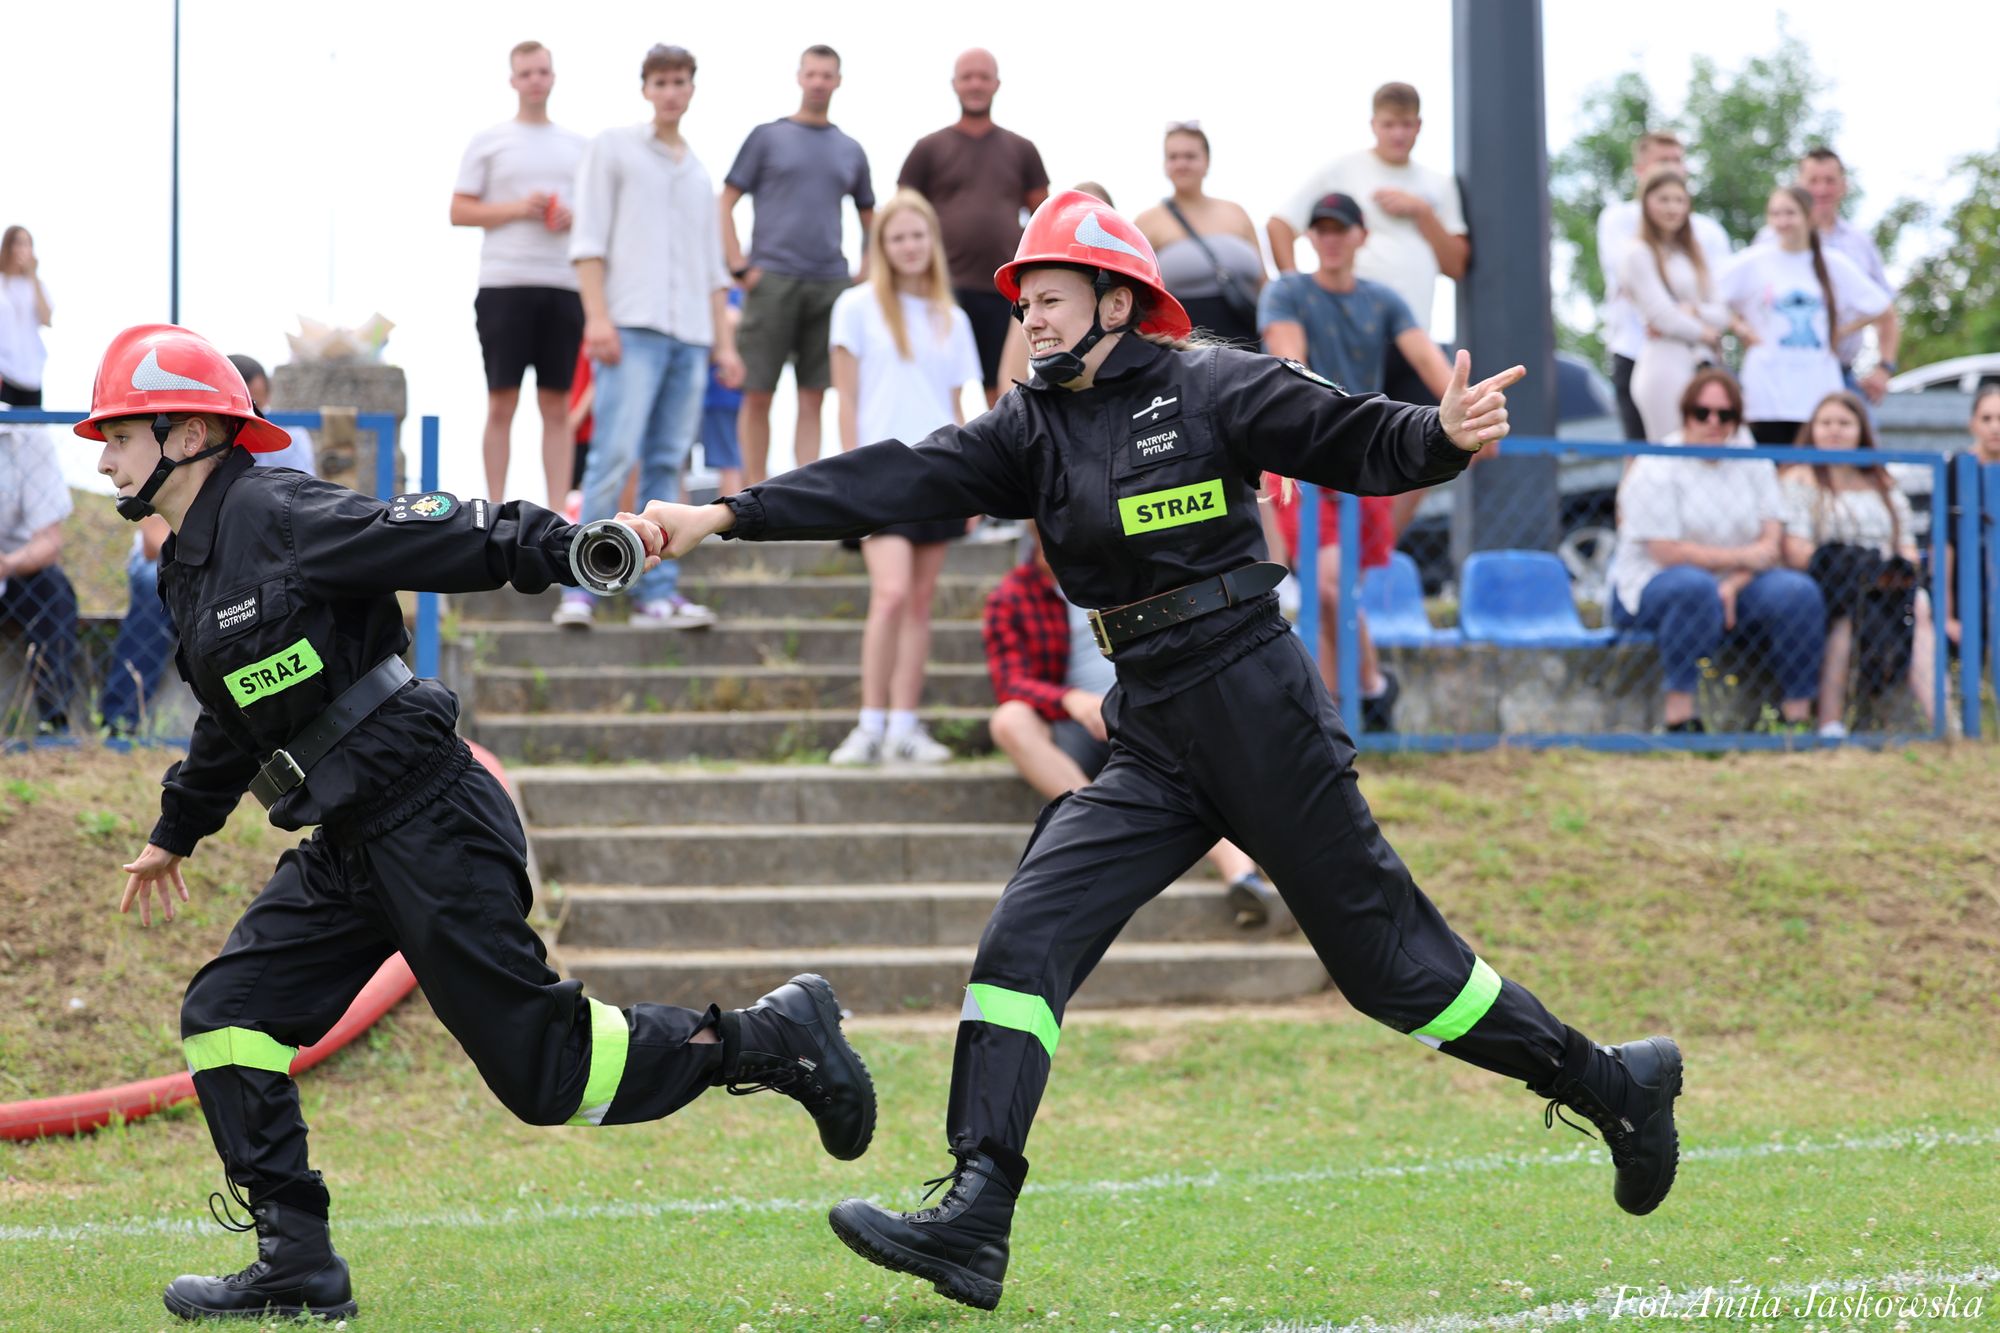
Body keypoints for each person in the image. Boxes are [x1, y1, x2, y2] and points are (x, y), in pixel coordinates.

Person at [641, 191, 1682, 1311]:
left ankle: (1611, 1084)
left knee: (1397, 976)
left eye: (1046, 299)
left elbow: (1351, 434)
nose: (1030, 321)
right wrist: (727, 513)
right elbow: (894, 472)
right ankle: (976, 1209)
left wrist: (1439, 433)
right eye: (1023, 304)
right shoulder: (1025, 431)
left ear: (1113, 300)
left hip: (1255, 699)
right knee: (1025, 936)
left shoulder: (1212, 381)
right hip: (1151, 725)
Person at [82, 324, 876, 1323]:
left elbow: (450, 531)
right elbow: (231, 725)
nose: (103, 454)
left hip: (430, 815)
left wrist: (574, 550)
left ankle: (769, 1039)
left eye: (116, 430)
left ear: (187, 427)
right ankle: (296, 1265)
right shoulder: (188, 568)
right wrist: (174, 832)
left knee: (553, 1076)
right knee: (228, 1014)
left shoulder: (282, 508)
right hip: (348, 843)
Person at [983, 523, 1282, 927]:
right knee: (1010, 719)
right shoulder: (1014, 595)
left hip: (1149, 712)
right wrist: (1068, 699)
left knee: (1197, 766)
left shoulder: (1131, 579)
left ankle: (1243, 880)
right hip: (1079, 726)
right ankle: (1092, 819)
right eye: (1044, 537)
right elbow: (1011, 681)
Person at [555, 42, 742, 631]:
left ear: (691, 89)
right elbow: (589, 238)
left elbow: (713, 269)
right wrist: (597, 317)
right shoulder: (612, 147)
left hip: (688, 334)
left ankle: (656, 593)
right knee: (612, 454)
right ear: (646, 88)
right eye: (660, 81)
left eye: (680, 81)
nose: (670, 92)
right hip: (630, 325)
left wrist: (724, 344)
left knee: (668, 465)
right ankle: (579, 585)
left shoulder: (698, 172)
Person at [1257, 191, 1453, 727]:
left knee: (1333, 596)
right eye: (1320, 228)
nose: (1330, 238)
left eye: (1340, 228)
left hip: (1359, 461)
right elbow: (1288, 363)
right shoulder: (1288, 292)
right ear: (1310, 238)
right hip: (1301, 460)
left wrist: (1465, 411)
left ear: (1361, 235)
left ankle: (1341, 715)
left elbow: (1431, 362)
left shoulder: (1383, 300)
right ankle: (1373, 689)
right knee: (1325, 587)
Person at [824, 191, 982, 768]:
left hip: (939, 471)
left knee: (919, 603)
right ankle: (868, 724)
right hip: (878, 472)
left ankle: (904, 726)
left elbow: (956, 403)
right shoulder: (855, 307)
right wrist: (850, 475)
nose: (909, 246)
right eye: (897, 238)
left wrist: (974, 482)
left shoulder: (953, 316)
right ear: (882, 246)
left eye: (918, 236)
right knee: (888, 596)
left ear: (931, 242)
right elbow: (847, 399)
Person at [1605, 368, 1824, 733]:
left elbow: (1771, 542)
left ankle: (1795, 719)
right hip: (1651, 586)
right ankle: (1680, 717)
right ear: (1685, 412)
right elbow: (1666, 552)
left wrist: (1732, 585)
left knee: (1798, 593)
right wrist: (1740, 562)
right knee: (1694, 587)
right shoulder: (1657, 464)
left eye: (1725, 415)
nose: (1713, 422)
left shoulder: (1752, 461)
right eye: (1701, 412)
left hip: (1736, 585)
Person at [723, 44, 876, 485]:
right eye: (812, 74)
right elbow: (726, 200)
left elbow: (870, 215)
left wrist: (864, 271)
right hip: (772, 279)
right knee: (758, 395)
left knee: (814, 396)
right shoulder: (767, 137)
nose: (819, 82)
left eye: (827, 75)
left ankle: (801, 495)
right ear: (799, 77)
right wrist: (739, 266)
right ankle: (752, 496)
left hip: (829, 283)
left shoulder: (850, 148)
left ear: (838, 81)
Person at [1266, 82, 1467, 405]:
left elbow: (1457, 265)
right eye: (1389, 124)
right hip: (1351, 335)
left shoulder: (1438, 185)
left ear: (1419, 125)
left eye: (1406, 125)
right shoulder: (1343, 169)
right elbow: (1280, 224)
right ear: (1374, 124)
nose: (1398, 134)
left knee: (1426, 435)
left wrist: (1422, 211)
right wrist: (1297, 292)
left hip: (1415, 333)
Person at [449, 41, 587, 507]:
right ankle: (495, 507)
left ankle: (556, 513)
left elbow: (598, 216)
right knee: (501, 402)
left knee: (557, 405)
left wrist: (573, 217)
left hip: (563, 285)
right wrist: (517, 208)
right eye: (526, 72)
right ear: (513, 80)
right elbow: (458, 210)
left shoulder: (579, 147)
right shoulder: (489, 140)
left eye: (542, 71)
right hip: (504, 284)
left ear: (553, 77)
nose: (535, 80)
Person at [898, 48, 1051, 408]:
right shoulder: (928, 149)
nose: (975, 84)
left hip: (1004, 289)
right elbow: (901, 216)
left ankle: (1008, 459)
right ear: (954, 84)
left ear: (996, 84)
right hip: (939, 289)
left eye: (983, 76)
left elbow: (1044, 218)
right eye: (967, 77)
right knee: (930, 380)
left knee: (1003, 386)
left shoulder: (1022, 149)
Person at [1778, 391, 1933, 736]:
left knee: (1919, 604)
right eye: (1826, 423)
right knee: (1851, 607)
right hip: (1830, 582)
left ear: (1860, 429)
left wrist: (1895, 569)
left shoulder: (1882, 482)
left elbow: (1905, 544)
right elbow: (1797, 550)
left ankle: (1942, 721)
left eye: (1844, 423)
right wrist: (1854, 571)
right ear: (1812, 429)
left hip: (1885, 581)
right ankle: (1830, 723)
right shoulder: (1798, 478)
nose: (1834, 431)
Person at [1721, 186, 1890, 446]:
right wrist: (1740, 327)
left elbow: (1881, 308)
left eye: (1790, 213)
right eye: (1775, 214)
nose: (1782, 221)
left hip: (1816, 389)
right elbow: (1707, 296)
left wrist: (1841, 331)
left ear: (1808, 216)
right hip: (1766, 392)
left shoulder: (1833, 263)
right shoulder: (1755, 260)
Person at [1596, 132, 1732, 441]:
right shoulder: (1622, 226)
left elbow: (1724, 307)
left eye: (1677, 161)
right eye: (1662, 161)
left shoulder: (1703, 237)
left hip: (1701, 361)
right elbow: (1657, 309)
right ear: (1641, 170)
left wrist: (1693, 311)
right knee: (1652, 455)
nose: (1671, 168)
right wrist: (1705, 331)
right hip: (1638, 351)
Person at [1756, 147, 1903, 404]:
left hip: (1840, 375)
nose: (1822, 190)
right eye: (1813, 180)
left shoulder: (1859, 244)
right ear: (1799, 185)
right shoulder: (1769, 240)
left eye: (1829, 181)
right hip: (1779, 375)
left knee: (1858, 441)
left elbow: (1885, 310)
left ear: (1843, 186)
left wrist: (1883, 368)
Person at [1133, 123, 1265, 348]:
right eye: (1173, 157)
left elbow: (1263, 282)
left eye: (1190, 156)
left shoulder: (1236, 213)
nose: (1181, 164)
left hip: (1251, 342)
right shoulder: (1148, 222)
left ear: (1207, 162)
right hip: (1186, 352)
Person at [0, 418, 79, 733]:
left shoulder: (26, 434)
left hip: (15, 569)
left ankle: (54, 719)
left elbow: (48, 542)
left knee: (53, 590)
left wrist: (7, 564)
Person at [1944, 384, 2000, 656]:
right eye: (1987, 418)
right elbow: (1944, 543)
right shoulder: (1958, 467)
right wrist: (1947, 615)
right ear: (1972, 424)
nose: (1995, 427)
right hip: (1969, 588)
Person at [226, 355, 317, 476]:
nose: (249, 416)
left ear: (268, 395)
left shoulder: (292, 436)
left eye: (255, 405)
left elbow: (303, 486)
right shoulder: (207, 437)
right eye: (239, 406)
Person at [0, 225, 53, 407]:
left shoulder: (35, 285)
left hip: (31, 374)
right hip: (4, 371)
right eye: (19, 243)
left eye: (28, 244)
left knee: (31, 429)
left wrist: (33, 275)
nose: (23, 249)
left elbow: (46, 319)